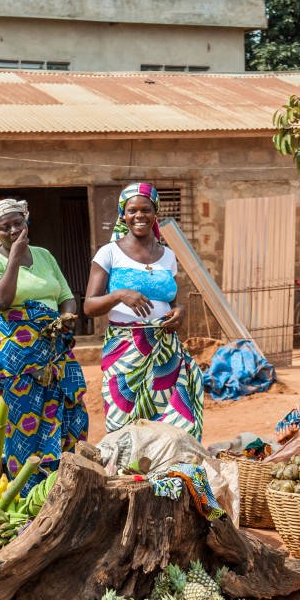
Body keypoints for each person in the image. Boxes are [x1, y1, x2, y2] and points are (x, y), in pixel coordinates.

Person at [0, 199, 89, 491]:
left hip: (54, 350)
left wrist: (65, 316)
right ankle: (25, 494)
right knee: (22, 425)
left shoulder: (44, 255)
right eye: (4, 227)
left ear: (27, 222)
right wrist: (13, 257)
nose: (13, 230)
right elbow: (0, 301)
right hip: (15, 361)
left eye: (18, 223)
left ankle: (60, 490)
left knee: (63, 418)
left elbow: (65, 294)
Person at [83, 182, 204, 437]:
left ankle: (165, 469)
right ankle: (127, 473)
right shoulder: (109, 253)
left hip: (165, 349)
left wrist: (179, 311)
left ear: (155, 212)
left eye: (146, 210)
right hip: (125, 348)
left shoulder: (168, 255)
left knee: (170, 421)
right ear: (123, 215)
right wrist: (118, 295)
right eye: (132, 211)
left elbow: (172, 300)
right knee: (123, 419)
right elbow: (89, 306)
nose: (140, 216)